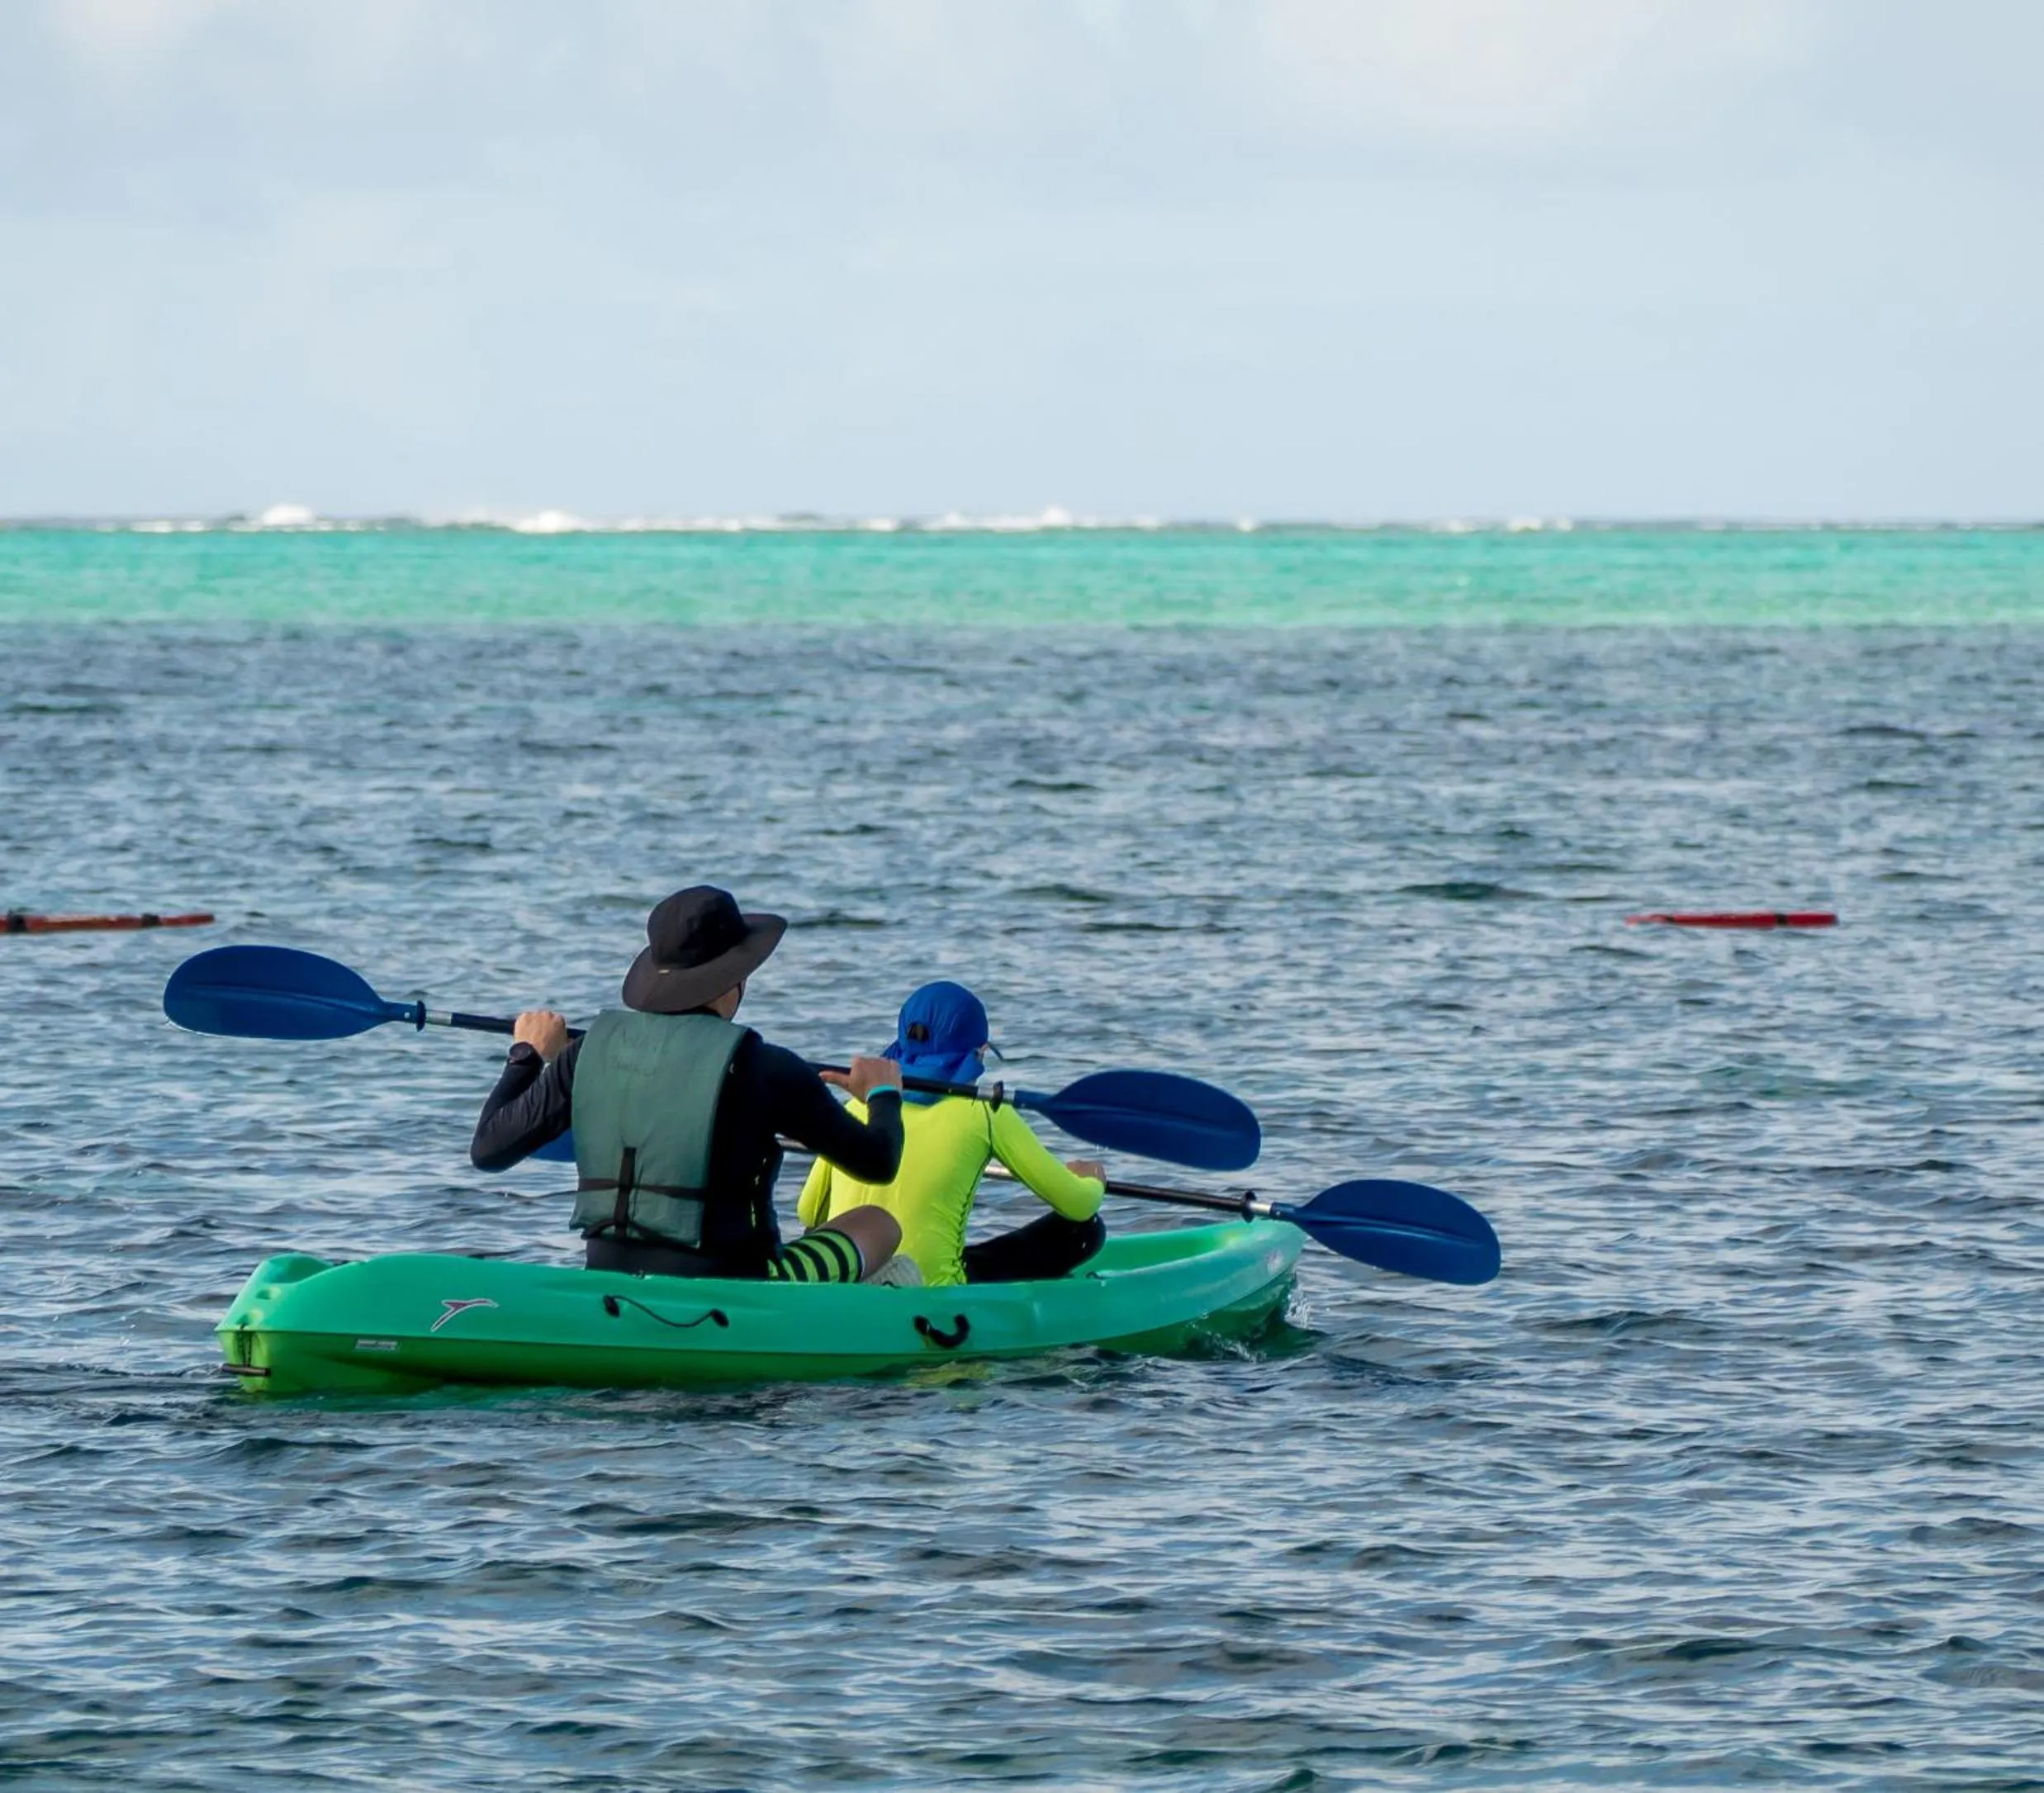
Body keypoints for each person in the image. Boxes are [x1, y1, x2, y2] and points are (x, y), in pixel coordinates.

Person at [472, 885, 906, 1283]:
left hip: (608, 1277)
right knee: (878, 1224)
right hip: (736, 1286)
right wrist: (883, 1094)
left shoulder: (583, 1054)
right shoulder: (768, 1067)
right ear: (733, 979)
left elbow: (488, 1151)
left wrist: (527, 1055)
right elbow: (878, 1162)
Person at [797, 980, 1107, 1288]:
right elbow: (1079, 1205)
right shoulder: (985, 1111)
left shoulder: (860, 1103)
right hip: (933, 1288)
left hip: (852, 1277)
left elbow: (809, 1211)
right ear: (980, 1052)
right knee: (1086, 1229)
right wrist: (1092, 1181)